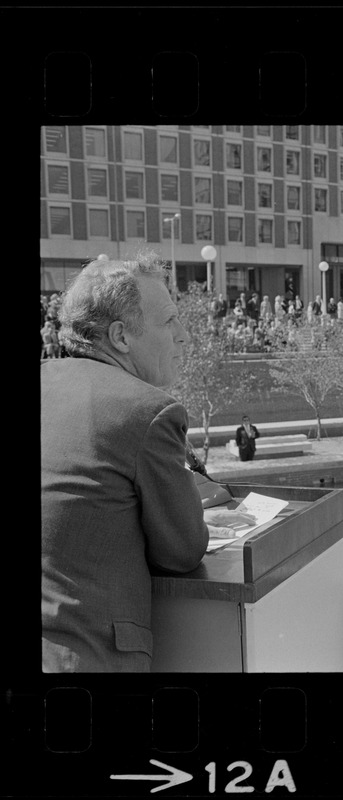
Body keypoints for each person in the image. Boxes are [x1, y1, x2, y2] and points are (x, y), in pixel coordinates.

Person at [41, 253, 254, 673]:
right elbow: (182, 551)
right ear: (121, 336)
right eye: (170, 321)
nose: (184, 336)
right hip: (88, 658)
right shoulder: (146, 411)